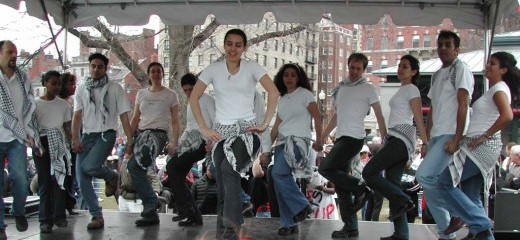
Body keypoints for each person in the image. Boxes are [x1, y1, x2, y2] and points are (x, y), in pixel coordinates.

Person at [189, 28, 279, 239]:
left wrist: (265, 122)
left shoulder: (251, 67)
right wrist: (204, 128)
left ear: (244, 47)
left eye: (238, 44)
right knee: (221, 181)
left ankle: (234, 224)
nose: (233, 48)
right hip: (221, 135)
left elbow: (274, 92)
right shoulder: (213, 69)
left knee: (229, 170)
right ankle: (224, 233)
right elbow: (194, 98)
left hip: (247, 133)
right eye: (229, 43)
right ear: (225, 45)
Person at [439, 51, 517, 239]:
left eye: (493, 63)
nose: (488, 65)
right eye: (489, 62)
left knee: (443, 182)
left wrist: (485, 135)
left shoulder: (499, 88)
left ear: (504, 70)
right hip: (478, 146)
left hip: (480, 147)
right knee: (470, 193)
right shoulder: (495, 89)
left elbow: (507, 115)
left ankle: (479, 222)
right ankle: (481, 233)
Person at [318, 52, 387, 239]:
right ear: (348, 66)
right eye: (352, 67)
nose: (354, 71)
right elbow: (336, 115)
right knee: (341, 186)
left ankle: (361, 188)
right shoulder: (341, 88)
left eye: (358, 69)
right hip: (341, 137)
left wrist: (384, 135)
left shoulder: (368, 88)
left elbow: (379, 115)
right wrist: (323, 135)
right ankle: (351, 227)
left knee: (325, 167)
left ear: (364, 70)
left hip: (354, 138)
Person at [415, 30, 475, 240]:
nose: (442, 48)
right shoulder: (437, 73)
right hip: (436, 136)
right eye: (440, 45)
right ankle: (445, 234)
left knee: (423, 176)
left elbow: (463, 104)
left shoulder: (461, 70)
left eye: (447, 45)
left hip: (450, 133)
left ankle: (460, 213)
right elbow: (432, 108)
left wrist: (457, 138)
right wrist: (427, 140)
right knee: (431, 187)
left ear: (457, 49)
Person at [362, 55, 429, 240]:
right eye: (400, 65)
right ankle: (401, 233)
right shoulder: (403, 90)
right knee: (392, 185)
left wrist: (424, 141)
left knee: (369, 172)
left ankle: (403, 199)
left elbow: (418, 116)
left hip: (400, 139)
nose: (400, 69)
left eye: (405, 66)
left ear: (414, 71)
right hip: (395, 138)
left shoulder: (412, 89)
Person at [71, 52, 133, 230]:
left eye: (100, 66)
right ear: (89, 67)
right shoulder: (82, 88)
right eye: (93, 66)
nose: (96, 69)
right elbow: (77, 115)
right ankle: (96, 216)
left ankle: (111, 175)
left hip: (106, 134)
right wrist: (75, 139)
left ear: (105, 68)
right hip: (88, 135)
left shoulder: (114, 88)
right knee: (82, 179)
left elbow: (123, 115)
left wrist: (129, 139)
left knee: (89, 167)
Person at [266, 63, 322, 236]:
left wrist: (320, 142)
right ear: (281, 78)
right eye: (286, 75)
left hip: (298, 142)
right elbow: (276, 127)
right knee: (280, 182)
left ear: (298, 78)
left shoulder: (305, 95)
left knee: (277, 174)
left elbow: (318, 117)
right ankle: (288, 223)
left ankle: (301, 205)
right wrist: (266, 150)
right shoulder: (282, 99)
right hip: (282, 143)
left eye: (293, 75)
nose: (289, 78)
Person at [127, 62, 180, 226]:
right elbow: (135, 118)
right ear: (149, 75)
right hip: (141, 135)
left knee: (136, 167)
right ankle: (151, 210)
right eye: (153, 71)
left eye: (159, 71)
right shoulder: (142, 94)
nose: (156, 74)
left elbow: (175, 121)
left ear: (162, 74)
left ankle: (151, 202)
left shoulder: (171, 95)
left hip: (158, 135)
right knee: (134, 168)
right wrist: (129, 140)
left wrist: (174, 142)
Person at [0, 40, 42, 238]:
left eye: (15, 52)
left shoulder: (22, 78)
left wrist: (31, 133)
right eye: (9, 52)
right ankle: (0, 226)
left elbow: (30, 108)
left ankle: (19, 211)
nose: (14, 56)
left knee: (20, 178)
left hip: (17, 138)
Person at [166, 72, 214, 227]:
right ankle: (194, 216)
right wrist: (178, 145)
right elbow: (189, 127)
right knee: (175, 171)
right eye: (185, 90)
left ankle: (185, 211)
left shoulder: (206, 100)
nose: (188, 93)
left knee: (172, 167)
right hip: (190, 141)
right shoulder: (190, 103)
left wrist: (212, 143)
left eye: (191, 89)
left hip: (202, 142)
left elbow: (216, 121)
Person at [34, 71, 73, 233]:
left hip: (59, 143)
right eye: (53, 83)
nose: (57, 87)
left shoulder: (63, 105)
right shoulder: (35, 104)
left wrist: (72, 144)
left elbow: (66, 127)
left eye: (58, 84)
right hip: (42, 142)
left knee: (59, 180)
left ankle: (59, 216)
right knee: (45, 182)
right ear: (45, 83)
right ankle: (45, 220)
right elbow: (32, 127)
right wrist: (36, 145)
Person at [58, 72, 80, 214]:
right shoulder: (60, 103)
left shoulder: (72, 101)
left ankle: (69, 202)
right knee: (64, 174)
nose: (73, 86)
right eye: (71, 83)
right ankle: (64, 202)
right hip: (64, 144)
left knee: (71, 175)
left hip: (73, 142)